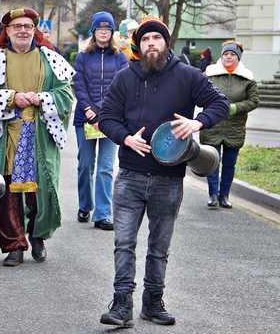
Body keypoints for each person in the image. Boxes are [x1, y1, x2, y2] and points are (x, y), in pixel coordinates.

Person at [98, 17, 229, 328]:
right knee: (124, 244)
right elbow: (106, 117)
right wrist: (125, 137)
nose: (151, 43)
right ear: (139, 46)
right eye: (145, 40)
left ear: (166, 43)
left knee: (159, 247)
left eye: (157, 38)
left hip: (168, 179)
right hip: (130, 175)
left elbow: (219, 104)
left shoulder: (187, 76)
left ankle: (153, 302)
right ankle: (121, 304)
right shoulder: (124, 78)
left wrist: (198, 122)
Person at [0, 7, 75, 266]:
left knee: (40, 192)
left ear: (34, 30)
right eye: (17, 26)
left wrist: (42, 98)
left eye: (27, 26)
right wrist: (10, 98)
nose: (22, 30)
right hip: (7, 137)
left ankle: (38, 236)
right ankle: (15, 245)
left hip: (40, 137)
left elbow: (65, 95)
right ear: (7, 31)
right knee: (8, 194)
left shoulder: (49, 59)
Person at [73, 11, 127, 231]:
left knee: (105, 168)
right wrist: (89, 110)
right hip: (85, 117)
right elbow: (79, 85)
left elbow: (122, 86)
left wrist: (103, 114)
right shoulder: (82, 56)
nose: (104, 33)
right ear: (93, 32)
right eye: (100, 29)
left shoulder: (120, 57)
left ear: (112, 32)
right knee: (86, 165)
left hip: (111, 119)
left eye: (107, 29)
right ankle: (85, 205)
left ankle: (103, 214)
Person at [201, 41, 259, 209]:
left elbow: (254, 100)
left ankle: (224, 196)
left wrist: (235, 108)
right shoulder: (209, 74)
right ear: (222, 56)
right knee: (212, 162)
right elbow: (199, 93)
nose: (228, 57)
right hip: (213, 125)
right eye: (226, 54)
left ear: (238, 58)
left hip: (235, 128)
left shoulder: (247, 78)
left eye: (232, 54)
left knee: (229, 164)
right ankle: (213, 195)